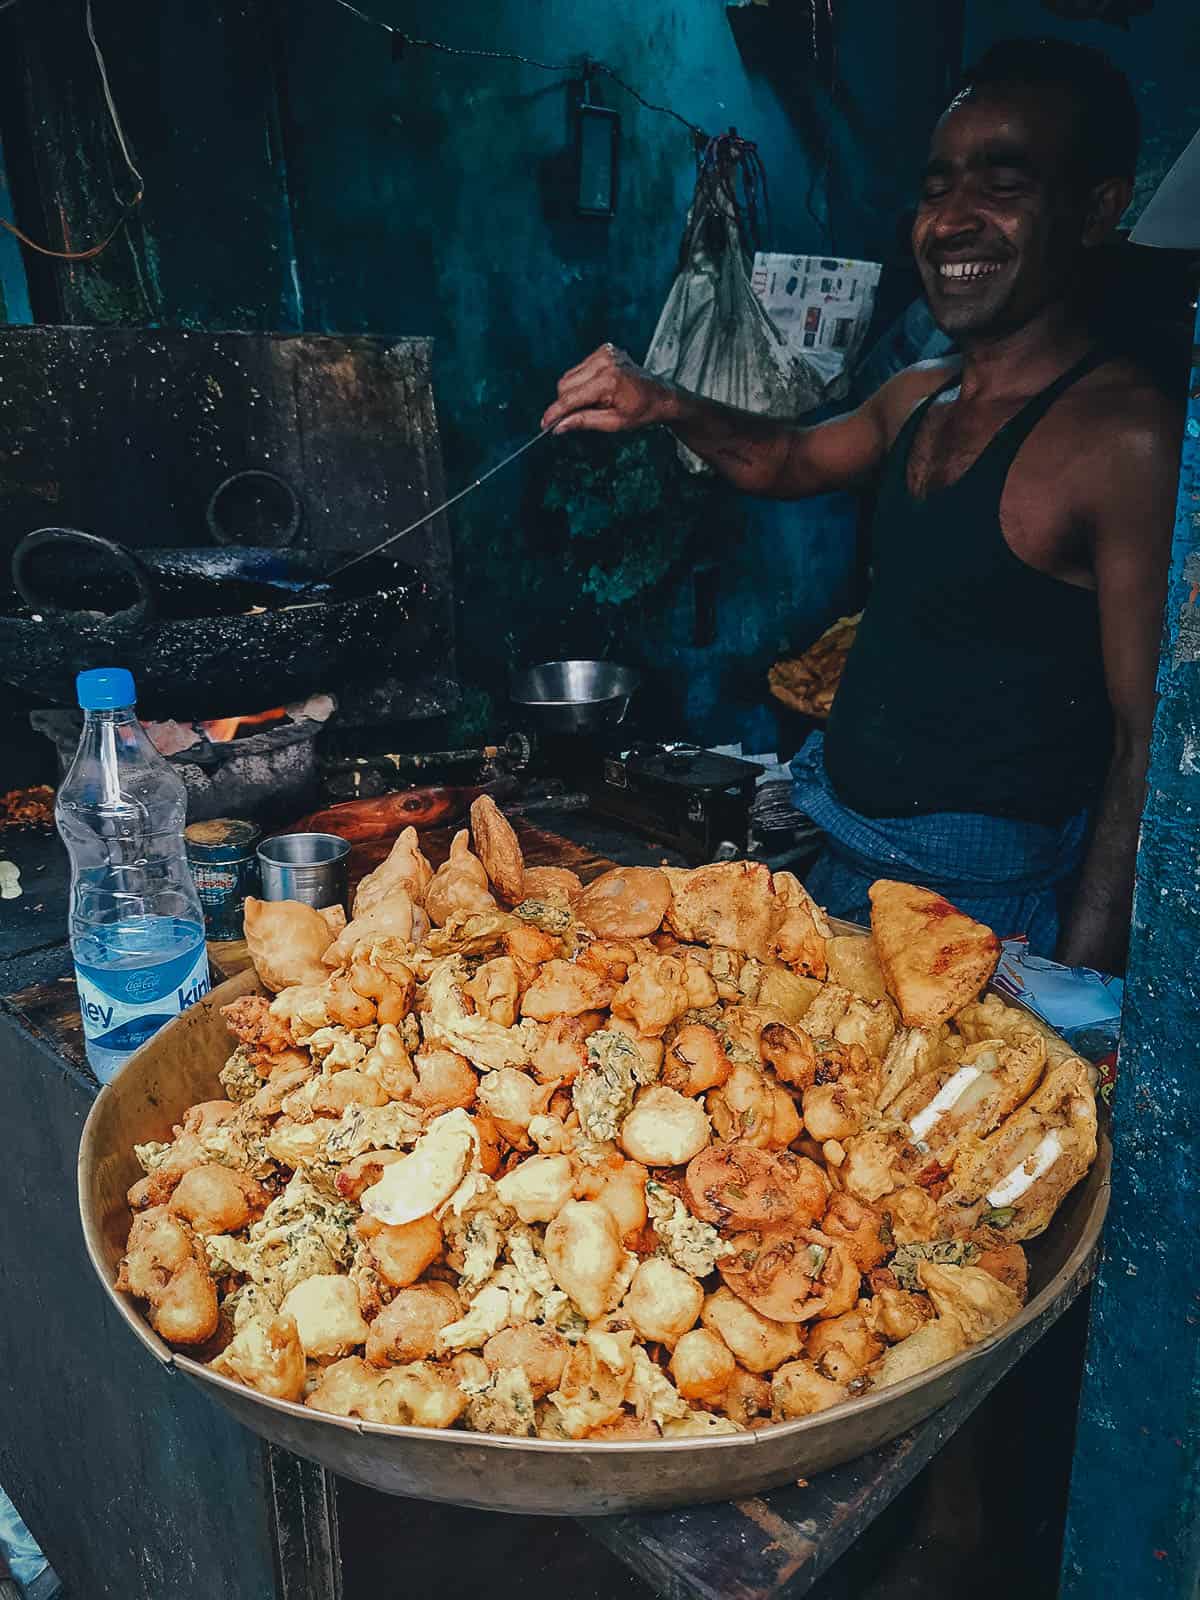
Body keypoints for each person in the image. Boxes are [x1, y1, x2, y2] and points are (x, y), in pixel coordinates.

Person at [541, 37, 1183, 972]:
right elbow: (787, 458)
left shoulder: (1126, 439)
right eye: (936, 187)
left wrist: (1074, 986)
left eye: (1002, 184)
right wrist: (663, 400)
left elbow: (1145, 745)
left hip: (984, 909)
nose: (952, 220)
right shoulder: (920, 394)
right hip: (839, 849)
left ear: (1095, 210)